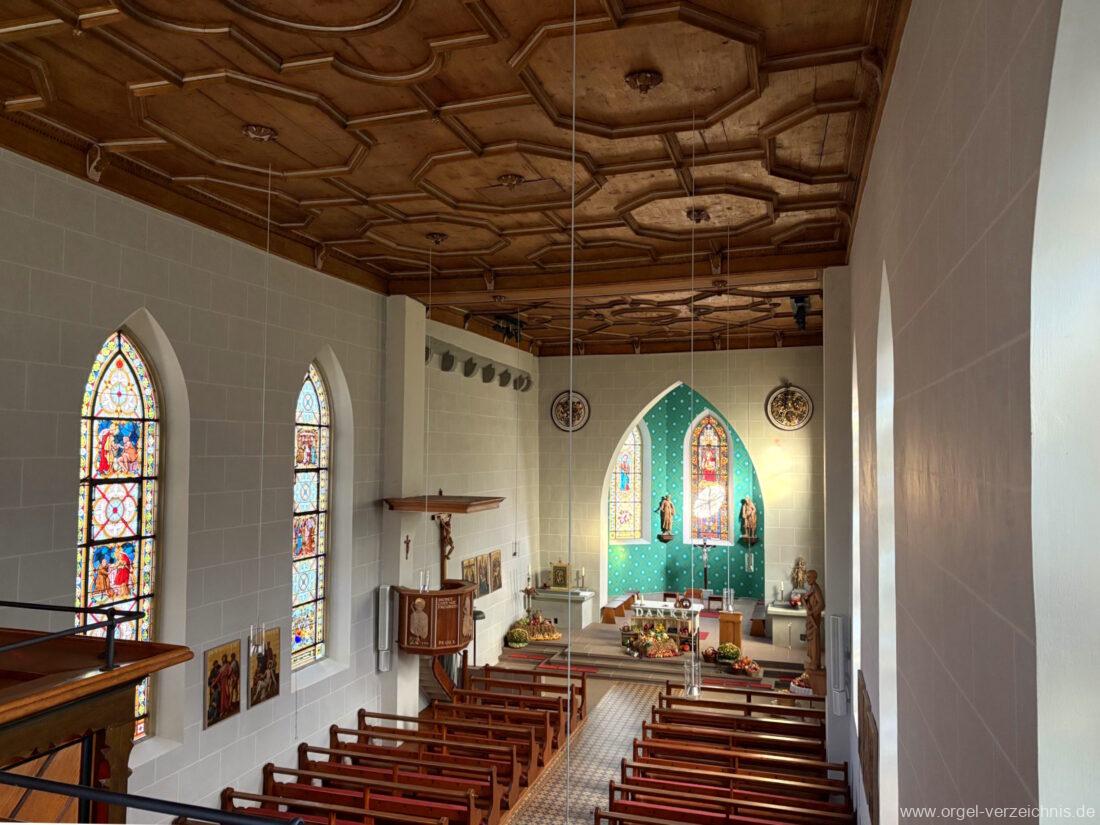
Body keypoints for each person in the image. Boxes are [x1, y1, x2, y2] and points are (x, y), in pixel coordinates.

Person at [804, 570, 825, 671]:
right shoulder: (812, 588)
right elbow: (808, 600)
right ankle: (813, 660)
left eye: (808, 577)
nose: (807, 579)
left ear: (814, 578)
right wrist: (805, 599)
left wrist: (812, 612)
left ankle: (815, 663)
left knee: (814, 640)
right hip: (811, 618)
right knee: (811, 640)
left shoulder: (816, 588)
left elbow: (821, 604)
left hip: (814, 619)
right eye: (806, 577)